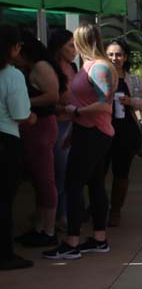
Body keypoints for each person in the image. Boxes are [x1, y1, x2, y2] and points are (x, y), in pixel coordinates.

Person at [44, 24, 116, 261]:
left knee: (74, 184)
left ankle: (72, 241)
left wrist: (75, 111)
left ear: (84, 41)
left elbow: (105, 104)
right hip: (88, 131)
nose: (73, 47)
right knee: (93, 184)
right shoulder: (92, 65)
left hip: (94, 132)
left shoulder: (99, 67)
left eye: (75, 41)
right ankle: (98, 238)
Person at [13, 33, 61, 247]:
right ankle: (41, 226)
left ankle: (49, 230)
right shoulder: (32, 68)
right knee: (38, 178)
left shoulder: (40, 67)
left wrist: (24, 102)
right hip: (34, 127)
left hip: (41, 126)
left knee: (45, 178)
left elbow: (53, 95)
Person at [103, 40, 142, 227]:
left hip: (126, 132)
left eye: (119, 54)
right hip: (102, 130)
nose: (115, 58)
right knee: (98, 172)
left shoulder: (133, 80)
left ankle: (115, 210)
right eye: (111, 54)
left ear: (125, 57)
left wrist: (131, 101)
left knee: (121, 173)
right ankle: (97, 207)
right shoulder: (100, 76)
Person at [1, 25, 33, 270]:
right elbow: (21, 114)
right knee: (4, 200)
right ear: (13, 48)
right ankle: (5, 254)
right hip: (6, 141)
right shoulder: (12, 75)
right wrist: (32, 118)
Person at [48, 28, 77, 227]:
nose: (75, 49)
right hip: (59, 124)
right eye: (70, 45)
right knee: (61, 172)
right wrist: (64, 108)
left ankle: (66, 213)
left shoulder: (73, 67)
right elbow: (50, 101)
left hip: (74, 123)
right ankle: (60, 215)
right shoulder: (50, 69)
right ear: (59, 47)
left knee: (69, 172)